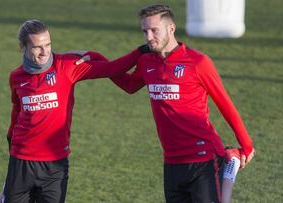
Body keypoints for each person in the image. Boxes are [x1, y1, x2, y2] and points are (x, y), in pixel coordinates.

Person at [109, 4, 255, 203]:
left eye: (154, 30)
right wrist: (100, 62)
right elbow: (129, 85)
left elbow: (225, 104)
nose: (149, 37)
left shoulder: (198, 63)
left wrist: (246, 145)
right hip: (172, 163)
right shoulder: (146, 62)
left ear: (171, 28)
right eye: (145, 31)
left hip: (203, 160)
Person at [0, 19, 149, 203]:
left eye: (48, 44)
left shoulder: (66, 67)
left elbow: (112, 68)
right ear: (23, 47)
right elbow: (17, 109)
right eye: (38, 47)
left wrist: (141, 51)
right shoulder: (16, 77)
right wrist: (10, 136)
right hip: (22, 161)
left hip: (55, 164)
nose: (45, 52)